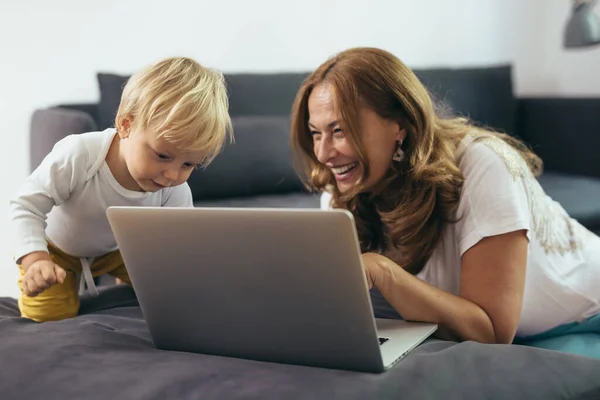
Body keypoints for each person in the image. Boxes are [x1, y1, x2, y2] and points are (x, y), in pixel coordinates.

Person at [290, 47, 600, 359]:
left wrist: (384, 273)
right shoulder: (341, 191)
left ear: (399, 124)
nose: (323, 153)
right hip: (518, 331)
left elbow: (492, 333)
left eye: (339, 130)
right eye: (316, 134)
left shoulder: (485, 164)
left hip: (584, 318)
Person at [10, 56, 233, 322]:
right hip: (58, 251)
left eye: (188, 164)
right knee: (47, 320)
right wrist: (35, 259)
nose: (173, 175)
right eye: (162, 156)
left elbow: (179, 245)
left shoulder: (175, 187)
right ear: (126, 125)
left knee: (174, 294)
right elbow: (26, 205)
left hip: (122, 251)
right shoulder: (80, 154)